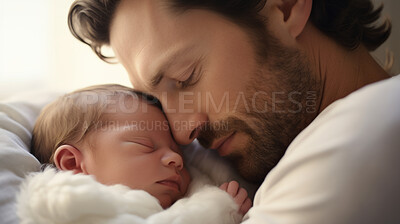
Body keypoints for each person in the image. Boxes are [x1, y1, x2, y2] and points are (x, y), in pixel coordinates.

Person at [67, 0, 400, 223]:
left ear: (284, 8)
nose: (181, 134)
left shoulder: (361, 141)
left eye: (185, 77)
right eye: (154, 100)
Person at [17, 84, 252, 223]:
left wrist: (223, 209)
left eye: (177, 150)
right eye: (145, 146)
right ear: (72, 163)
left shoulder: (189, 198)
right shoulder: (67, 209)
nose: (177, 159)